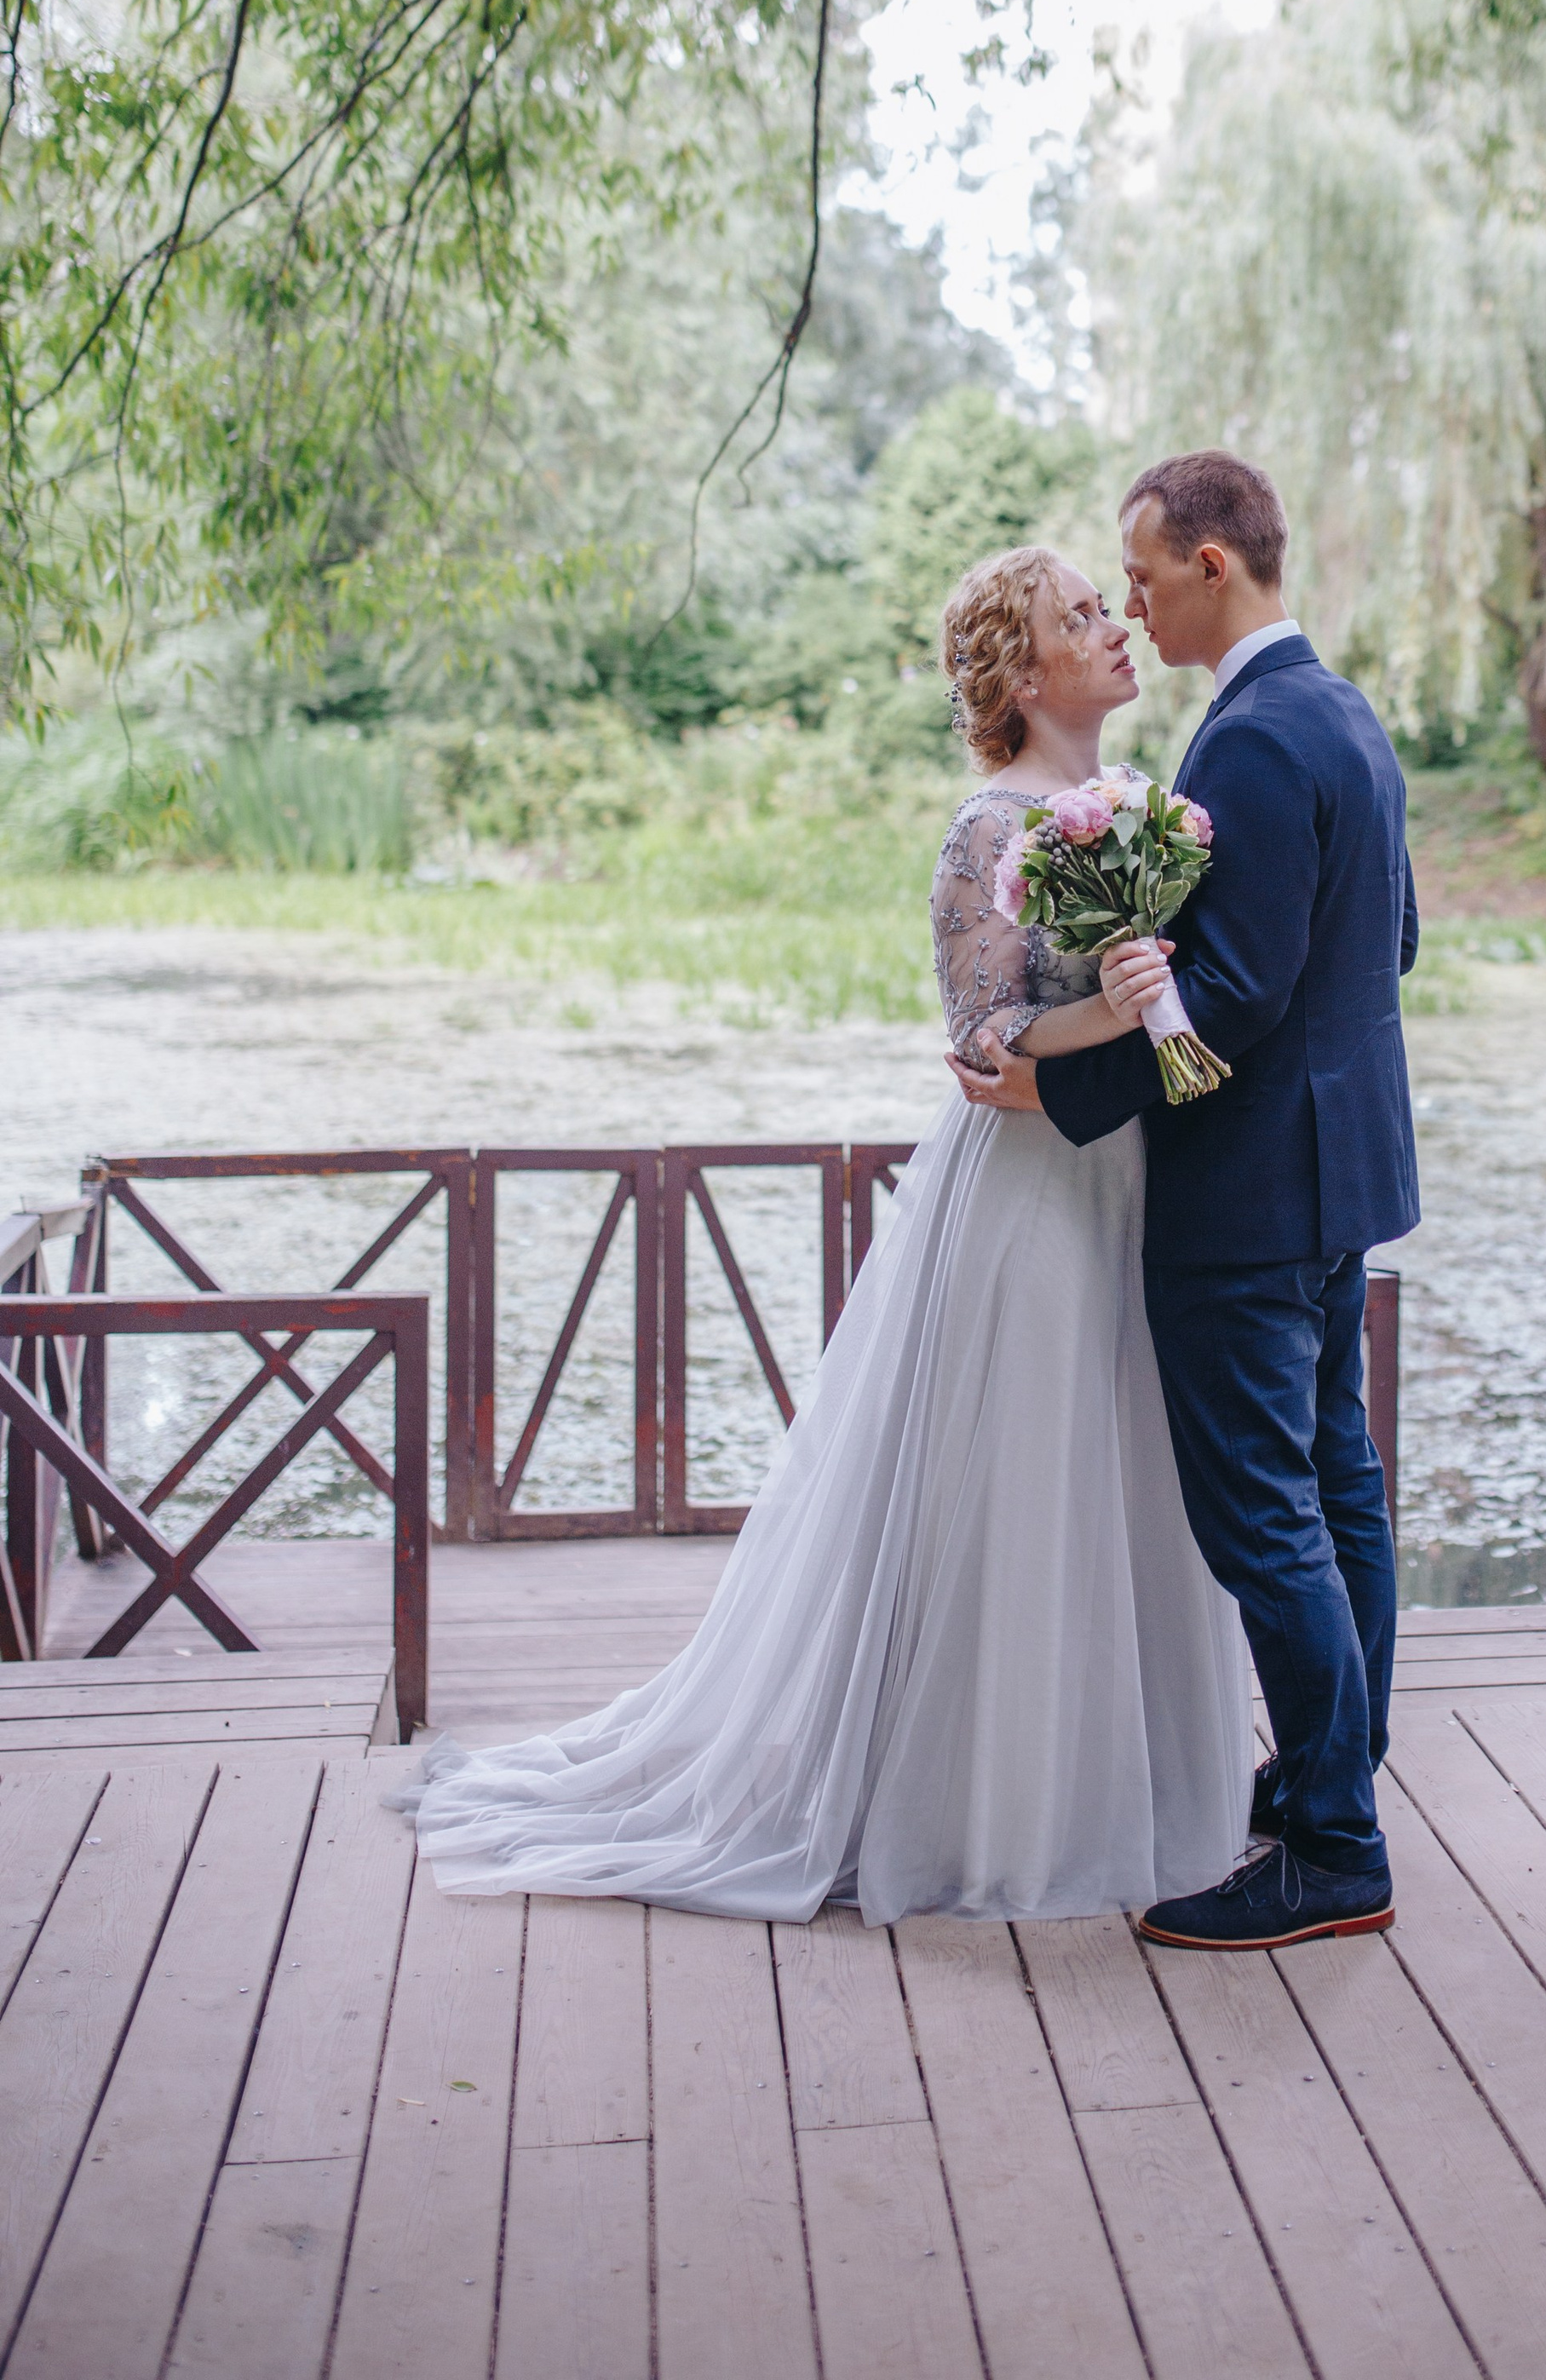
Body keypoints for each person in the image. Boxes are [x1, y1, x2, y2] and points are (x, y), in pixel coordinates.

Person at [390, 547, 1251, 1923]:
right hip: (1029, 1191)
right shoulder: (989, 829)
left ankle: (1127, 1795)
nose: (1114, 627)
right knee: (1027, 1479)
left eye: (1107, 607)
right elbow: (982, 1031)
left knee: (1132, 1475)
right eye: (1080, 617)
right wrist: (1116, 1003)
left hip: (1139, 1181)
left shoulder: (1150, 807)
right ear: (1024, 676)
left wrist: (1157, 1000)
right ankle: (995, 1815)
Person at [951, 450, 1419, 1953]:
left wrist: (1057, 1094)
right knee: (1336, 1488)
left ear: (1215, 565)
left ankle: (1333, 1849)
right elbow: (1391, 943)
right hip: (1339, 1178)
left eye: (1145, 578)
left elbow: (1236, 989)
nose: (1136, 608)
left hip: (1250, 1195)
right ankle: (1330, 1781)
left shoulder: (1255, 740)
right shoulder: (1341, 713)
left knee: (1268, 1517)